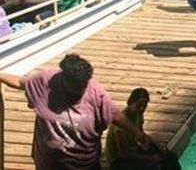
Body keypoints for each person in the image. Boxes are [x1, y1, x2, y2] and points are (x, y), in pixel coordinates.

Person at [0, 53, 147, 170]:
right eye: (76, 87)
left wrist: (136, 132)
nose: (81, 90)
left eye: (84, 85)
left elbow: (114, 114)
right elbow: (21, 82)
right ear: (64, 79)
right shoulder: (46, 81)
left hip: (84, 165)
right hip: (49, 164)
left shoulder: (95, 91)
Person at [105, 88, 181, 170]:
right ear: (130, 103)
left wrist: (157, 145)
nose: (142, 109)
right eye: (138, 106)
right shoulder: (120, 126)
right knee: (152, 166)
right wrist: (149, 158)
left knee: (170, 157)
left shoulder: (138, 114)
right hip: (119, 160)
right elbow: (124, 153)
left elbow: (141, 133)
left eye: (144, 106)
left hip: (133, 150)